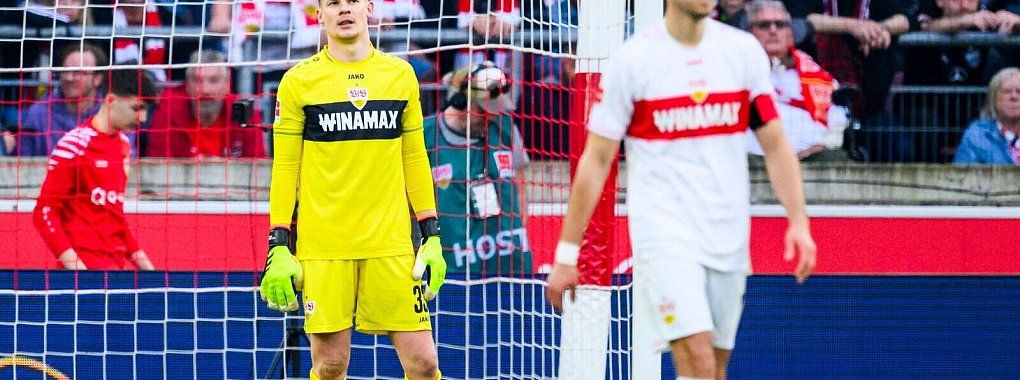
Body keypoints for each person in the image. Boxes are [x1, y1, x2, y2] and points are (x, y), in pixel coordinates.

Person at [544, 1, 817, 379]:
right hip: (665, 234)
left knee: (713, 368)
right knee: (698, 356)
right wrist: (567, 253)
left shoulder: (741, 52)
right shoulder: (634, 60)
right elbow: (597, 159)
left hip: (727, 233)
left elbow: (775, 144)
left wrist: (799, 221)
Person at [258, 1, 446, 379]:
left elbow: (414, 158)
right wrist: (278, 244)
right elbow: (285, 167)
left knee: (424, 364)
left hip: (391, 244)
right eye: (333, 3)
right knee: (329, 365)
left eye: (353, 1)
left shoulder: (400, 75)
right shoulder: (298, 82)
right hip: (325, 248)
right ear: (319, 14)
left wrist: (432, 235)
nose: (344, 9)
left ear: (370, 9)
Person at [32, 69, 160, 271]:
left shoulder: (124, 146)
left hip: (116, 274)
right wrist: (79, 271)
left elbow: (114, 217)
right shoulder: (74, 144)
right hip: (80, 281)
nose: (143, 118)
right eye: (137, 108)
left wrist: (149, 270)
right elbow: (44, 213)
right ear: (110, 100)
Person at [424, 61, 532, 275]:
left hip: (509, 267)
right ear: (459, 100)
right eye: (483, 109)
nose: (491, 116)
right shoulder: (425, 137)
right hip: (452, 272)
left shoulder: (505, 127)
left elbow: (520, 188)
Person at [745, 1, 849, 161]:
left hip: (810, 158)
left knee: (836, 159)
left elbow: (838, 120)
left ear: (790, 34)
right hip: (754, 159)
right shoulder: (737, 72)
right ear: (750, 33)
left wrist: (822, 145)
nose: (773, 30)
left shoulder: (815, 75)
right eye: (764, 25)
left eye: (780, 25)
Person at [145, 49, 266, 158]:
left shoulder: (245, 113)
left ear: (227, 84)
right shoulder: (168, 109)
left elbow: (258, 168)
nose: (205, 90)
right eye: (197, 80)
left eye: (214, 80)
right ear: (186, 84)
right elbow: (157, 166)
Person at [18, 43, 109, 157]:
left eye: (77, 72)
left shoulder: (111, 116)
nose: (69, 78)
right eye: (65, 71)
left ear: (97, 79)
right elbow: (24, 163)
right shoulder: (38, 114)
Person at [955, 67, 1020, 164]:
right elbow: (961, 174)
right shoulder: (977, 133)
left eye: (1019, 91)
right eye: (1006, 91)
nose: (1014, 97)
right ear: (993, 100)